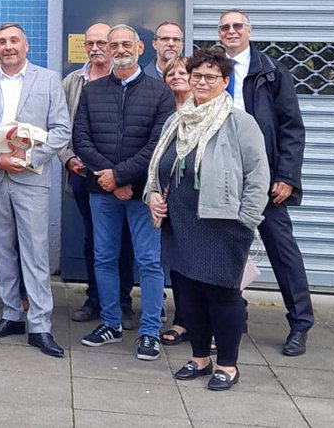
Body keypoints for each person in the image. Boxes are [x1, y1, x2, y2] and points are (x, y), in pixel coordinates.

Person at [146, 48, 270, 391]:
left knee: (222, 296)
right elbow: (158, 166)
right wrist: (152, 194)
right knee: (188, 295)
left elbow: (258, 176)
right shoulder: (177, 120)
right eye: (196, 76)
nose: (201, 82)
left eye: (210, 77)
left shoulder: (239, 122)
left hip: (223, 225)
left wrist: (245, 220)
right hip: (181, 222)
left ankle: (228, 365)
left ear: (225, 82)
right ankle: (200, 358)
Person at [0, 24, 71, 358]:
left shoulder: (48, 79)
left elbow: (61, 129)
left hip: (31, 176)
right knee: (3, 249)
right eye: (1, 42)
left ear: (26, 44)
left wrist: (27, 157)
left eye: (13, 41)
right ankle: (11, 314)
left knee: (35, 251)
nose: (6, 47)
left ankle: (40, 324)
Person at [73, 24, 175, 361]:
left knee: (148, 262)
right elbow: (81, 138)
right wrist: (108, 178)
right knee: (104, 257)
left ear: (140, 47)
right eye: (113, 44)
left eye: (125, 44)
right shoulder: (92, 90)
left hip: (141, 192)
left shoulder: (160, 93)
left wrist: (120, 176)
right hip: (101, 192)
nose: (118, 49)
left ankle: (149, 332)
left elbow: (158, 144)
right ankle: (110, 323)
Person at [218, 9, 312, 356]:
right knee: (227, 251)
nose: (231, 31)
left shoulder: (271, 72)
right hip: (223, 177)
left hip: (265, 178)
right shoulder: (213, 69)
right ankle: (233, 319)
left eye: (237, 26)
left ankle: (301, 322)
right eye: (225, 27)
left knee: (281, 249)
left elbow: (292, 127)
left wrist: (286, 176)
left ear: (249, 31)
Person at [59, 23, 135, 325]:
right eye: (90, 42)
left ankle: (124, 301)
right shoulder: (73, 81)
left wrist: (121, 173)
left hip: (124, 176)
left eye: (101, 42)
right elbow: (61, 125)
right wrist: (66, 159)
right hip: (82, 173)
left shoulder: (128, 79)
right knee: (94, 238)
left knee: (126, 239)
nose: (95, 48)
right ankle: (95, 299)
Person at [158, 55, 191, 347]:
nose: (177, 76)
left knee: (207, 264)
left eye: (183, 72)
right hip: (170, 200)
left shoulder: (207, 108)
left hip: (200, 200)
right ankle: (182, 320)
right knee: (178, 263)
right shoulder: (165, 111)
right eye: (171, 73)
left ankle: (213, 325)